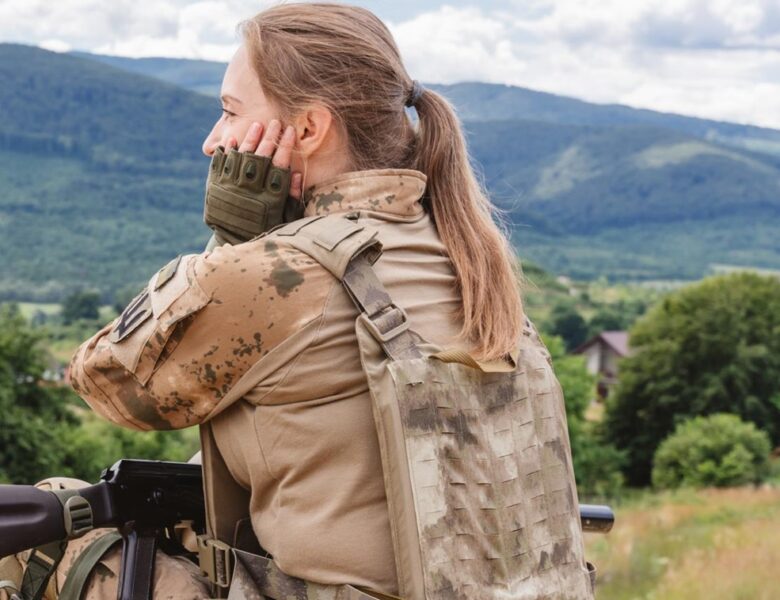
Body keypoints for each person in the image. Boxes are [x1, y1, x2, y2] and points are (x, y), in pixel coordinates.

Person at [63, 3, 593, 598]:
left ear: (309, 130)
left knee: (55, 531)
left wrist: (235, 240)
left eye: (230, 112)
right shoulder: (467, 253)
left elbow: (108, 383)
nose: (213, 142)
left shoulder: (281, 272)